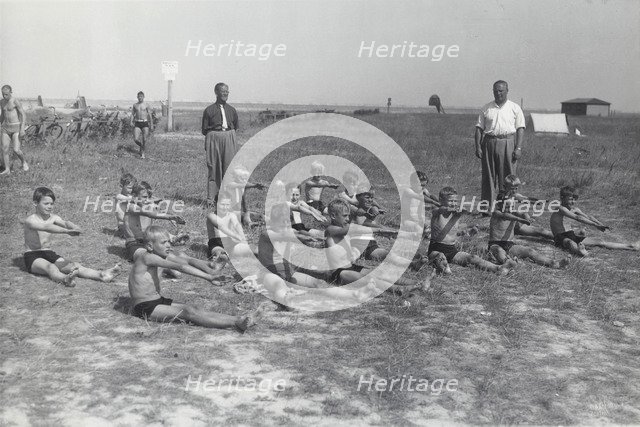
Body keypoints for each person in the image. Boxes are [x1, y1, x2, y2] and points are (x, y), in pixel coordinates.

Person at [128, 225, 260, 331]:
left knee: (194, 308)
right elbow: (180, 268)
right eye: (163, 242)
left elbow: (186, 262)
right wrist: (208, 277)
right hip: (144, 307)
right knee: (188, 312)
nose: (169, 245)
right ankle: (236, 323)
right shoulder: (147, 257)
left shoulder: (160, 255)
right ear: (150, 246)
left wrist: (211, 270)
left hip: (157, 301)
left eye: (169, 241)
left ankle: (239, 319)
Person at [325, 199, 431, 294]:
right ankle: (396, 289)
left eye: (348, 215)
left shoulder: (345, 228)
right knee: (368, 278)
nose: (348, 218)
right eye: (344, 216)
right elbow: (353, 229)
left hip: (352, 267)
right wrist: (380, 230)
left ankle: (418, 284)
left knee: (381, 274)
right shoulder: (330, 230)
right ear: (333, 216)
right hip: (339, 273)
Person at [23, 187, 121, 287]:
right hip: (33, 255)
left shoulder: (53, 217)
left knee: (74, 266)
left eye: (51, 204)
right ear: (35, 203)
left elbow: (65, 223)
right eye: (46, 204)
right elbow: (46, 227)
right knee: (51, 267)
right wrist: (67, 231)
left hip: (48, 253)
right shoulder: (30, 220)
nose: (49, 206)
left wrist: (74, 227)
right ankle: (65, 279)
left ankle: (101, 275)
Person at [428, 187, 516, 275]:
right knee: (440, 256)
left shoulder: (456, 214)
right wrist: (450, 209)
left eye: (455, 201)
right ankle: (445, 269)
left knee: (472, 257)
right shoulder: (436, 212)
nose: (453, 204)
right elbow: (441, 210)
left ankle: (498, 268)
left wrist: (467, 231)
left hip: (451, 249)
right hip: (436, 248)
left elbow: (452, 230)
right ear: (441, 200)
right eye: (450, 201)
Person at [550, 186, 640, 256]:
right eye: (570, 199)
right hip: (560, 237)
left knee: (600, 241)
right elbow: (578, 218)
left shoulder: (575, 209)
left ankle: (631, 246)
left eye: (574, 199)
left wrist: (600, 224)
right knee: (570, 243)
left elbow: (588, 217)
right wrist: (594, 225)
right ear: (562, 198)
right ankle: (579, 251)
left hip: (571, 234)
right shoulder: (560, 208)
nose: (573, 202)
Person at [475, 80, 525, 203]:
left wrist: (518, 148)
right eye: (495, 91)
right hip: (489, 142)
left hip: (508, 142)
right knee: (488, 176)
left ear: (507, 91)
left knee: (508, 177)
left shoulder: (515, 108)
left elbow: (520, 129)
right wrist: (478, 146)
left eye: (501, 90)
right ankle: (487, 207)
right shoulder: (486, 108)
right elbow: (479, 129)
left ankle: (506, 205)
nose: (498, 93)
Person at [488, 195, 569, 268]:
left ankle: (554, 263)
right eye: (506, 206)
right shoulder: (496, 213)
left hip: (509, 245)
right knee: (499, 252)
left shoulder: (513, 211)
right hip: (495, 244)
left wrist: (526, 217)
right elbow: (505, 216)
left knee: (530, 251)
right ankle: (508, 263)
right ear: (498, 205)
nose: (509, 209)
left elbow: (523, 213)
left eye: (512, 207)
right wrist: (520, 219)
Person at [122, 183, 186, 262]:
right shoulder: (131, 207)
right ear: (134, 196)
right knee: (157, 262)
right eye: (144, 197)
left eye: (149, 197)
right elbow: (150, 214)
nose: (147, 200)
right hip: (134, 244)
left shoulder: (147, 206)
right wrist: (169, 217)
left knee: (178, 257)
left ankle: (172, 239)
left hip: (148, 243)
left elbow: (158, 211)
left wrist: (171, 216)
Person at [202, 82, 239, 202]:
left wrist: (227, 136)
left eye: (227, 91)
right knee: (213, 168)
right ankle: (211, 199)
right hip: (214, 137)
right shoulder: (209, 110)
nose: (225, 93)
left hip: (229, 136)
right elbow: (204, 129)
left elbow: (235, 126)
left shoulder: (232, 110)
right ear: (216, 92)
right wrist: (215, 136)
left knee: (229, 168)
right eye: (223, 91)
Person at [206, 191, 257, 259]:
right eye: (222, 204)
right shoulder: (211, 216)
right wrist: (236, 236)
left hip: (230, 242)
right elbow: (221, 226)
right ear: (215, 204)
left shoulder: (231, 215)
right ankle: (220, 258)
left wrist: (243, 239)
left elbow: (237, 226)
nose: (225, 207)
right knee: (220, 254)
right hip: (216, 244)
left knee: (255, 249)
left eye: (227, 205)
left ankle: (269, 257)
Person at [400, 170, 440, 235]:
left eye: (424, 185)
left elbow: (430, 195)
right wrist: (434, 202)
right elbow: (420, 197)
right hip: (408, 221)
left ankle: (426, 233)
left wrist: (439, 202)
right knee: (419, 230)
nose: (422, 187)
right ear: (412, 183)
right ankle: (405, 235)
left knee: (436, 226)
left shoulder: (423, 190)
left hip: (420, 220)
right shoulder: (408, 191)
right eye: (420, 185)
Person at [1, 85, 29, 175]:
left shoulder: (15, 101)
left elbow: (23, 115)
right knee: (4, 149)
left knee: (16, 150)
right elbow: (3, 114)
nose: (4, 96)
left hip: (16, 128)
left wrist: (22, 129)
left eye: (6, 94)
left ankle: (24, 162)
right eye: (3, 94)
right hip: (5, 128)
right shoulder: (1, 102)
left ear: (10, 92)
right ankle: (7, 169)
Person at [131, 91, 154, 159]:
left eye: (141, 96)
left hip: (145, 123)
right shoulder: (135, 105)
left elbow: (150, 115)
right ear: (137, 97)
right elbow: (132, 114)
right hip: (137, 123)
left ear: (143, 97)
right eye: (139, 96)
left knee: (144, 139)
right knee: (135, 139)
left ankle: (142, 153)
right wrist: (131, 121)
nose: (140, 98)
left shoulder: (146, 104)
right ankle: (141, 146)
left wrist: (151, 124)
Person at [115, 173, 137, 237]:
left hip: (131, 224)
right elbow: (128, 199)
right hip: (122, 224)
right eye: (129, 188)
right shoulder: (119, 197)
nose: (131, 190)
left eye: (132, 188)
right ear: (121, 186)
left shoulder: (131, 196)